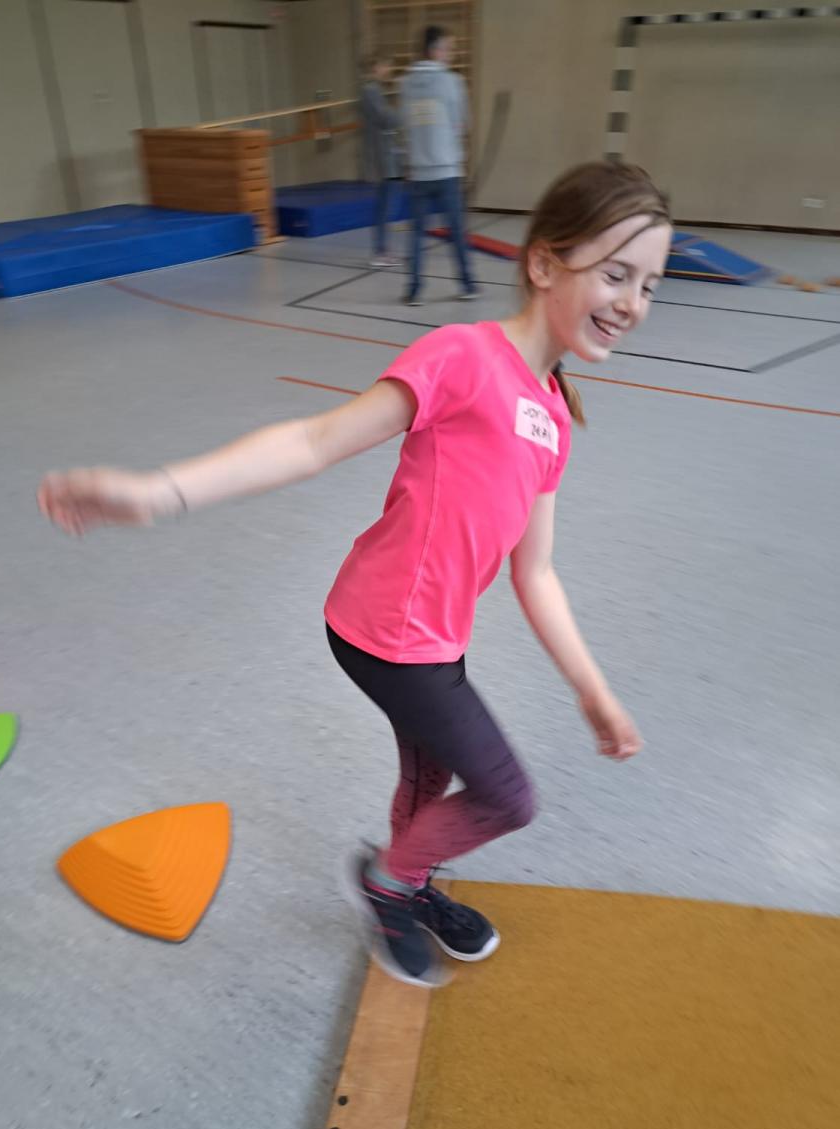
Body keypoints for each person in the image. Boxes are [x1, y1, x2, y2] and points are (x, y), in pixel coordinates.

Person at [37, 161, 672, 989]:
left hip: (434, 637)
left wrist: (592, 690)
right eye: (616, 274)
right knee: (507, 797)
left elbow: (537, 570)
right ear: (545, 263)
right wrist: (159, 492)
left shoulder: (552, 412)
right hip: (387, 633)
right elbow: (315, 441)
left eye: (650, 285)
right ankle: (388, 882)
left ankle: (409, 880)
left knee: (430, 775)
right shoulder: (463, 357)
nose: (633, 301)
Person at [399, 25, 476, 306]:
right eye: (447, 48)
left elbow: (404, 125)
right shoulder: (452, 82)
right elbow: (462, 124)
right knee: (456, 230)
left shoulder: (405, 83)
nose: (450, 54)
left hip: (418, 171)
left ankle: (414, 290)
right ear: (434, 50)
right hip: (446, 171)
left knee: (416, 234)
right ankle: (467, 283)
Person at [360, 52, 402, 269]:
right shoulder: (370, 91)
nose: (389, 70)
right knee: (384, 208)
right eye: (386, 65)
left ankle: (383, 249)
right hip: (382, 159)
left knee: (388, 206)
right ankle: (379, 251)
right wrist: (403, 111)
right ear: (376, 67)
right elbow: (386, 119)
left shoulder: (376, 91)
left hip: (388, 158)